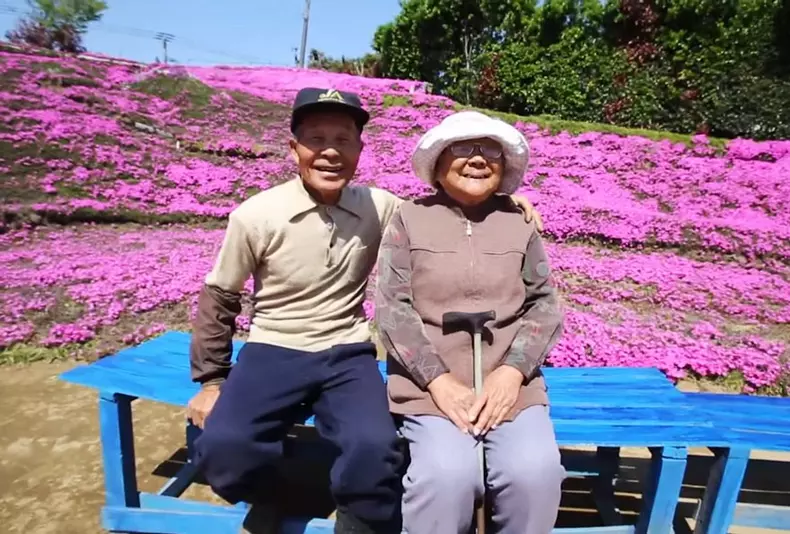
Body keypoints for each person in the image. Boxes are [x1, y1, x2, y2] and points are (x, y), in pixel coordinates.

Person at [186, 89, 544, 534]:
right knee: (223, 447)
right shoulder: (256, 215)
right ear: (293, 147)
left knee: (375, 448)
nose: (330, 151)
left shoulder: (381, 206)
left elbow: (451, 204)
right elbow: (220, 296)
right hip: (273, 348)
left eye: (344, 139)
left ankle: (359, 524)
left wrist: (506, 203)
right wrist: (210, 381)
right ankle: (284, 492)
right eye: (316, 139)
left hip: (347, 353)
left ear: (359, 149)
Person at [375, 110, 567, 534]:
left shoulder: (519, 223)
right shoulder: (409, 218)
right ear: (438, 164)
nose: (478, 158)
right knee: (446, 478)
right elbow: (392, 307)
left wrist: (512, 373)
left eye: (490, 151)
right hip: (429, 388)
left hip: (509, 387)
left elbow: (544, 305)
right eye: (462, 148)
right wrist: (438, 381)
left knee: (535, 475)